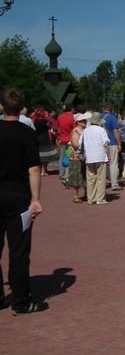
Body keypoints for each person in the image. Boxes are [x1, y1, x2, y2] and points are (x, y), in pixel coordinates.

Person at [0, 89, 48, 315]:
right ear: (21, 109)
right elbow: (34, 168)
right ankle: (20, 300)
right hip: (18, 196)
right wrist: (36, 199)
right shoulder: (26, 133)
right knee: (18, 250)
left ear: (1, 106)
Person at [82, 112, 111, 205]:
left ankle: (91, 198)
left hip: (89, 156)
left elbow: (80, 143)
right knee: (101, 178)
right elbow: (105, 143)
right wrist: (108, 155)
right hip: (100, 155)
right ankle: (100, 198)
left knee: (90, 178)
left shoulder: (85, 131)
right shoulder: (101, 130)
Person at [68, 112, 90, 203]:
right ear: (78, 122)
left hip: (83, 155)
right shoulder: (76, 131)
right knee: (77, 175)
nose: (84, 122)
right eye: (82, 121)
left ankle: (86, 194)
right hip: (76, 156)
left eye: (85, 120)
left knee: (85, 175)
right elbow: (75, 144)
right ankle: (76, 195)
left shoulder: (85, 130)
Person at [101, 102, 122, 191]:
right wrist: (119, 143)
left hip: (101, 143)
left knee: (102, 164)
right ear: (111, 109)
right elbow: (116, 131)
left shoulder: (99, 117)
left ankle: (101, 183)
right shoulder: (112, 117)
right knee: (113, 163)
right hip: (111, 142)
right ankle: (114, 184)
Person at [32, 107, 57, 176]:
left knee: (39, 156)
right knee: (45, 156)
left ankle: (40, 170)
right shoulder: (45, 121)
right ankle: (44, 170)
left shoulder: (34, 121)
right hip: (45, 139)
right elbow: (53, 124)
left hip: (37, 139)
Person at [56, 104, 75, 183]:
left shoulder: (60, 117)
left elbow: (58, 128)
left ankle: (61, 173)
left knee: (62, 156)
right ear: (71, 109)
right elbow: (74, 129)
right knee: (69, 157)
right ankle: (66, 175)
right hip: (70, 139)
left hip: (62, 138)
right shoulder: (72, 117)